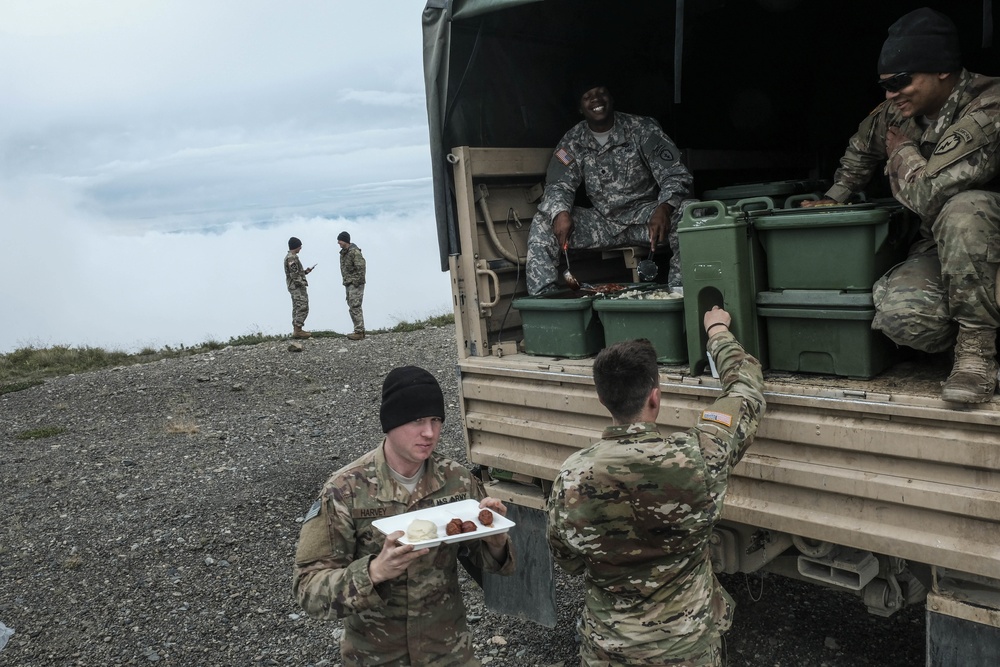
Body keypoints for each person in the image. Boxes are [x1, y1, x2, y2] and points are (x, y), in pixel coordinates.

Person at [546, 307, 766, 666]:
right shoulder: (698, 457)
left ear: (602, 399)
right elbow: (745, 387)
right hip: (686, 652)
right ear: (656, 397)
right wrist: (718, 331)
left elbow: (567, 560)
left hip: (607, 651)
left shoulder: (571, 476)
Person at [802, 7, 1000, 404]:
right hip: (944, 246)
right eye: (886, 85)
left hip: (988, 235)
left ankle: (977, 353)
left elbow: (928, 195)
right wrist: (836, 195)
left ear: (943, 70)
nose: (891, 95)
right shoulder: (899, 109)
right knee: (904, 317)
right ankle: (965, 342)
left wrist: (904, 153)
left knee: (964, 207)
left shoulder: (987, 106)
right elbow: (862, 146)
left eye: (900, 82)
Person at [292, 365, 516, 667]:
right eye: (417, 420)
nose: (430, 432)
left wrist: (496, 541)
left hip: (448, 652)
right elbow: (308, 590)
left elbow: (492, 566)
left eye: (436, 420)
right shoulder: (344, 490)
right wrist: (374, 572)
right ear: (391, 422)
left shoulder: (458, 481)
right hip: (376, 656)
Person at [526, 82, 694, 295]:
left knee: (690, 213)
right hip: (603, 223)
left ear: (611, 98)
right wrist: (560, 212)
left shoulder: (642, 128)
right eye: (587, 96)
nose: (595, 99)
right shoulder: (572, 141)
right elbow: (558, 184)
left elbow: (676, 174)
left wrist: (665, 207)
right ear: (580, 108)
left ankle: (681, 294)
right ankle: (545, 303)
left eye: (601, 92)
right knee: (544, 220)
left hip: (646, 220)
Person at [337, 231, 367, 341]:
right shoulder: (344, 253)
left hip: (355, 284)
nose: (338, 243)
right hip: (349, 283)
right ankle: (358, 330)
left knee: (355, 306)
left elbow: (361, 268)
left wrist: (355, 282)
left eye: (340, 240)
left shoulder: (354, 252)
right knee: (352, 306)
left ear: (345, 240)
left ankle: (359, 331)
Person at [285, 236, 313, 339]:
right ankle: (298, 329)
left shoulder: (291, 257)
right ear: (295, 246)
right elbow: (294, 275)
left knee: (297, 307)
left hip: (294, 286)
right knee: (302, 306)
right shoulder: (292, 258)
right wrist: (302, 283)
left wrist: (305, 272)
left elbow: (296, 272)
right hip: (297, 287)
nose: (300, 248)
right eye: (299, 246)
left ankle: (297, 329)